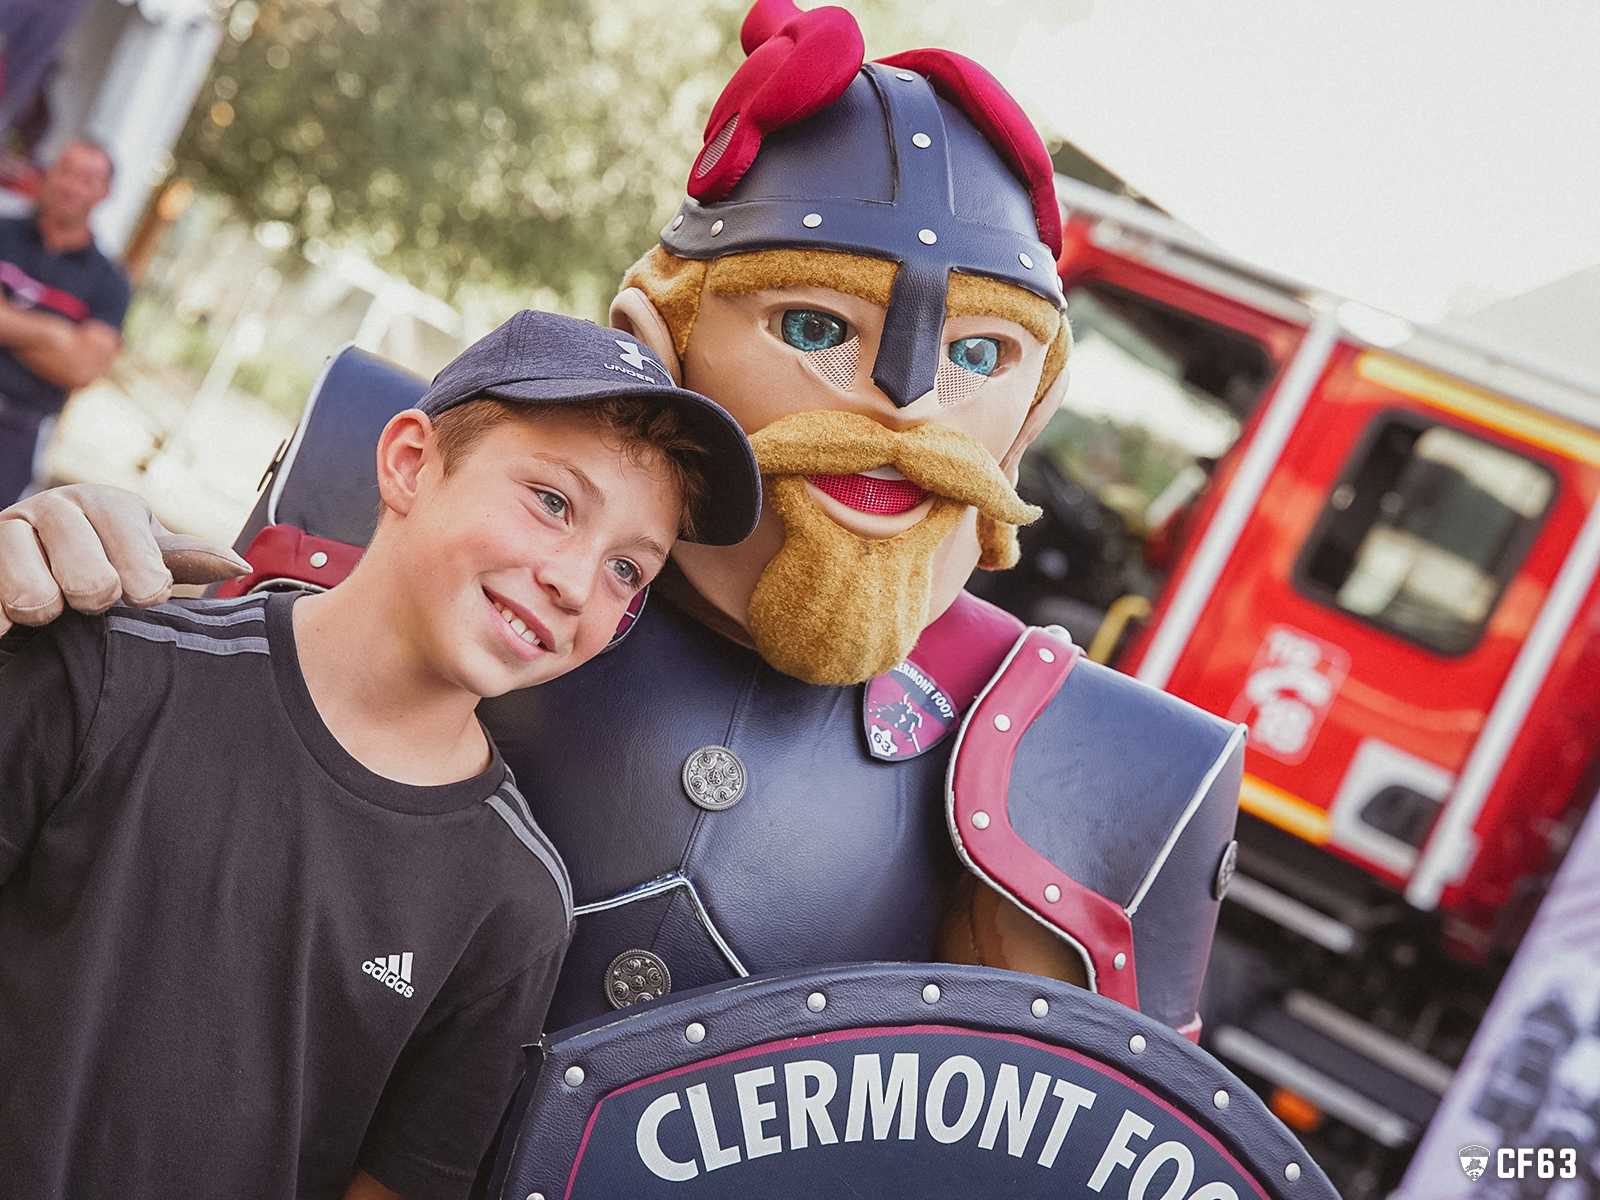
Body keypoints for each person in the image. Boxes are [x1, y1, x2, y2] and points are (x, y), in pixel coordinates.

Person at [0, 0, 1239, 1056]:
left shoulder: (1084, 760)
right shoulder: (408, 500)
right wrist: (58, 600)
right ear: (660, 335)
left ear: (1035, 411)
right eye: (817, 327)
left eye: (980, 355)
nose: (907, 403)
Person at [0, 311, 761, 1200]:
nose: (575, 582)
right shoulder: (110, 673)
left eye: (629, 569)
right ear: (410, 463)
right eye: (553, 502)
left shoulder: (513, 902)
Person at [0, 139, 127, 506]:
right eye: (65, 171)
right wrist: (56, 333)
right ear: (49, 173)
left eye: (86, 178)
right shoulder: (3, 232)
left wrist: (9, 322)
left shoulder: (110, 283)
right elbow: (70, 351)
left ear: (104, 192)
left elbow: (83, 366)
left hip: (18, 438)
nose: (71, 186)